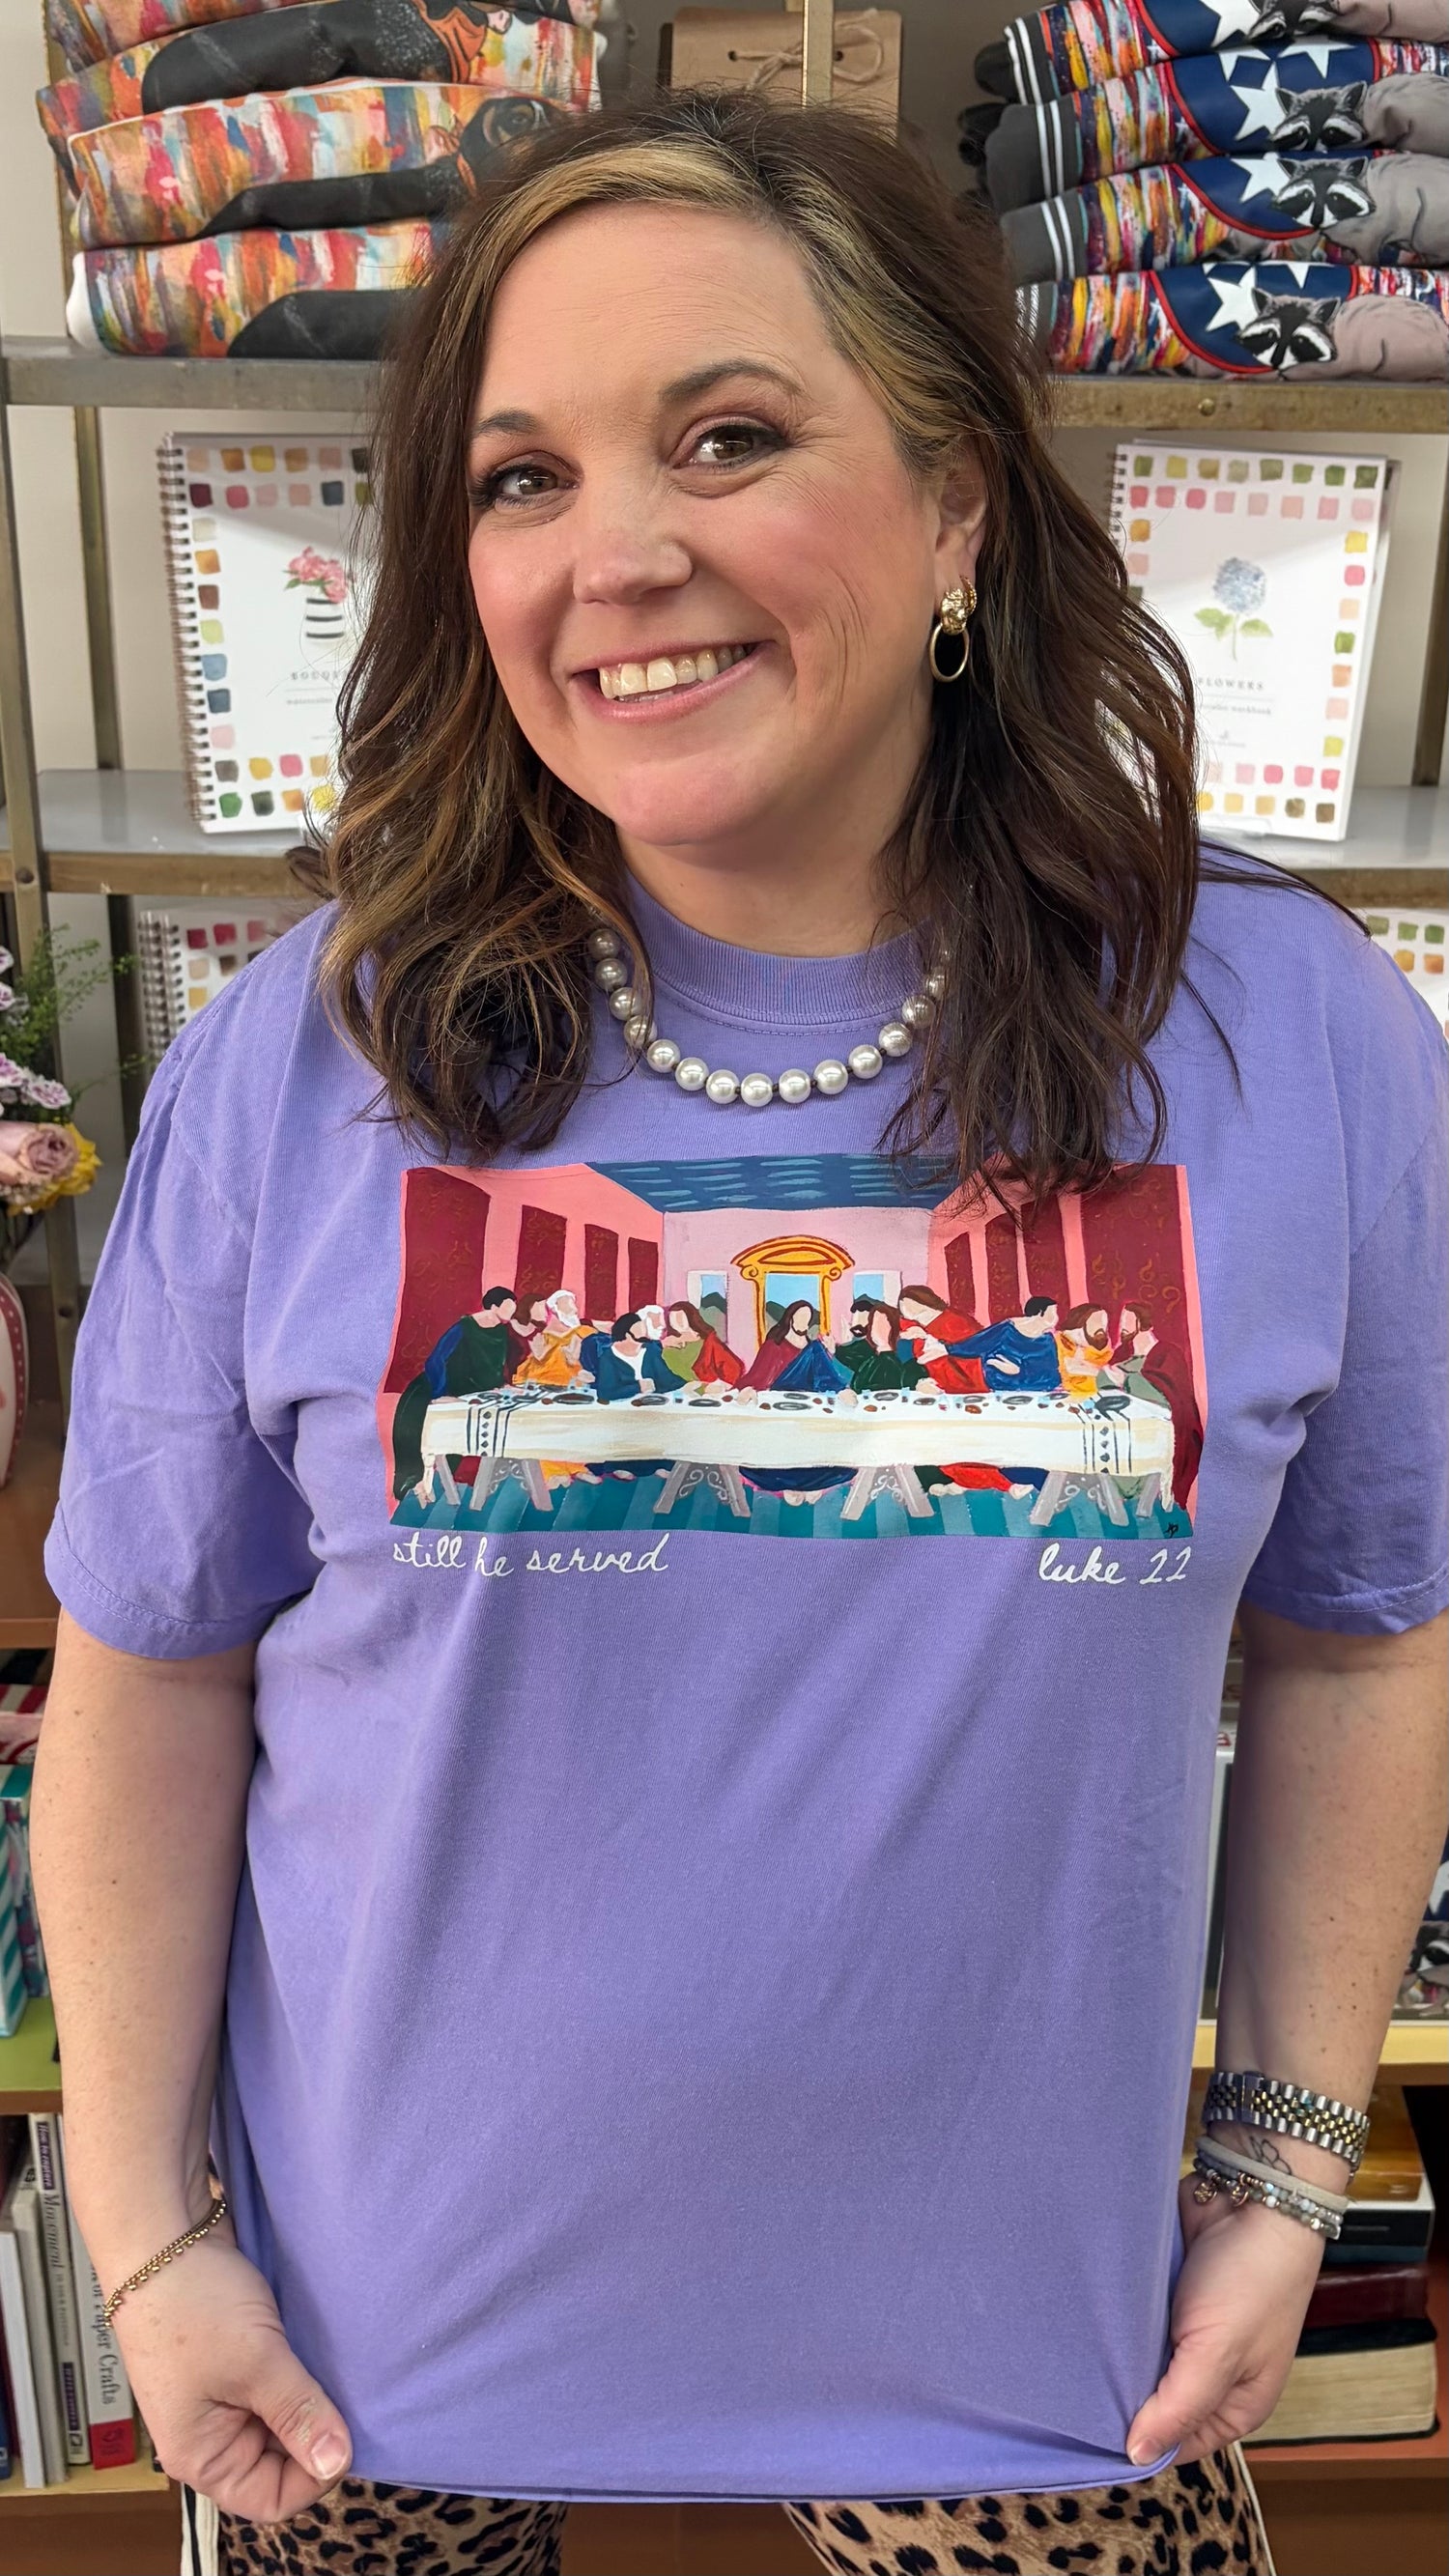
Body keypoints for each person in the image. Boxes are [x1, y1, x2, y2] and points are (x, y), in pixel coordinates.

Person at [30, 89, 1446, 2576]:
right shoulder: (306, 1055)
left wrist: (1287, 2158)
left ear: (958, 505)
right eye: (522, 478)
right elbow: (150, 1677)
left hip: (1036, 2349)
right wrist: (145, 2244)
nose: (619, 555)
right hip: (356, 2358)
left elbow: (1362, 1635)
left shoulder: (1284, 1031)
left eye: (728, 437)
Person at [389, 1282, 517, 1499]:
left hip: (470, 1394)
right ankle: (414, 1488)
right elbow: (437, 1360)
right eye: (508, 1305)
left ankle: (440, 1489)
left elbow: (495, 1366)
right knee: (423, 1438)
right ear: (494, 1306)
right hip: (435, 1388)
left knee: (457, 1439)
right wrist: (440, 1394)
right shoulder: (464, 1327)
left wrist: (502, 1385)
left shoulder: (501, 1332)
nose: (512, 1310)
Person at [1115, 1303, 1205, 1518]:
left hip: (1162, 1432)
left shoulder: (1168, 1353)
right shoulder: (1124, 1352)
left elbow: (1167, 1395)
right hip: (1125, 1427)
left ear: (1142, 1323)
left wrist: (1126, 1379)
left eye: (1127, 1320)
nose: (1122, 1325)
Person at [510, 1286, 586, 1388]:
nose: (545, 1312)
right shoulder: (519, 1328)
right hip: (536, 1373)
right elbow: (539, 1355)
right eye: (541, 1307)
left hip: (557, 1373)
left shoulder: (544, 1329)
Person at [663, 1297, 745, 1385]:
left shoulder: (709, 1341)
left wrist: (723, 1385)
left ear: (690, 1317)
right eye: (672, 1318)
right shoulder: (668, 1346)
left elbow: (733, 1367)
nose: (676, 1322)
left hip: (711, 1387)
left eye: (680, 1317)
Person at [1054, 1302, 1117, 1399]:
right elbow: (1070, 1368)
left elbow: (1113, 1373)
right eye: (1097, 1321)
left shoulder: (1101, 1346)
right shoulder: (1059, 1342)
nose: (1103, 1327)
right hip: (1069, 1396)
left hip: (1102, 1395)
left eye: (1105, 1322)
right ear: (1080, 1322)